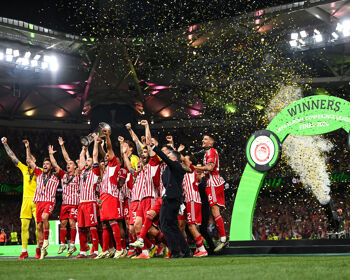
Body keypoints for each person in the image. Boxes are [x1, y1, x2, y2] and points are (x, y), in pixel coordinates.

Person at [1, 137, 41, 259]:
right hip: (25, 201)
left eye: (31, 159)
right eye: (28, 159)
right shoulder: (24, 169)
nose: (28, 160)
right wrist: (5, 145)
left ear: (35, 160)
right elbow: (12, 157)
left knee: (37, 228)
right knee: (24, 227)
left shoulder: (39, 171)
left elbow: (29, 159)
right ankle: (24, 251)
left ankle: (38, 249)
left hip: (36, 201)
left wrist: (28, 148)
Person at [151, 142, 191, 258]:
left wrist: (154, 148)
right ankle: (186, 250)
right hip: (173, 198)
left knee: (164, 226)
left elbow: (166, 159)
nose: (166, 157)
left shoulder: (176, 165)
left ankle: (175, 251)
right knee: (173, 226)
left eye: (169, 155)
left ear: (174, 158)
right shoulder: (172, 168)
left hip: (170, 198)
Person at [95, 127, 127, 259]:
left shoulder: (114, 164)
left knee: (113, 222)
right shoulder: (107, 166)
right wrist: (97, 144)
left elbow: (108, 149)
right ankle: (106, 250)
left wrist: (107, 136)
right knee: (104, 224)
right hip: (103, 196)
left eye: (109, 155)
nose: (106, 156)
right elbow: (104, 153)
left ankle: (120, 249)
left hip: (111, 196)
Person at [195, 135, 227, 252]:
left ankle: (223, 238)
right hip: (212, 182)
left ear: (212, 141)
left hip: (213, 183)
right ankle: (223, 237)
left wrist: (194, 167)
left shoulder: (211, 151)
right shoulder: (208, 152)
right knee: (214, 211)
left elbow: (209, 167)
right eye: (202, 138)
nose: (203, 140)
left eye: (206, 139)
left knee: (214, 210)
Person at [48, 143, 79, 257]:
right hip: (65, 204)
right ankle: (62, 244)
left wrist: (62, 147)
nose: (68, 165)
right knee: (63, 223)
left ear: (75, 167)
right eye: (67, 164)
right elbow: (55, 165)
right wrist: (51, 154)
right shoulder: (64, 175)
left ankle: (72, 244)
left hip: (74, 204)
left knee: (71, 223)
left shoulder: (78, 175)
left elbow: (67, 158)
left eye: (71, 164)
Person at [27, 152, 60, 259]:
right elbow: (29, 161)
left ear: (51, 167)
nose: (45, 165)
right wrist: (27, 147)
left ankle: (46, 240)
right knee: (39, 226)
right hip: (39, 202)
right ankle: (43, 250)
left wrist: (51, 155)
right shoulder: (39, 173)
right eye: (44, 164)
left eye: (47, 164)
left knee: (45, 217)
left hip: (49, 201)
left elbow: (56, 166)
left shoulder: (56, 176)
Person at [74, 136, 100, 259]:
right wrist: (84, 148)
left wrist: (95, 142)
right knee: (81, 228)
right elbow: (80, 157)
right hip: (81, 204)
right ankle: (83, 252)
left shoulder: (95, 172)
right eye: (87, 161)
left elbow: (95, 156)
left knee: (92, 227)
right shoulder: (83, 171)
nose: (87, 162)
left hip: (90, 202)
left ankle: (96, 251)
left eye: (88, 161)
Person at [182, 155, 208, 257]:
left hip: (192, 200)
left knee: (191, 226)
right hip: (192, 200)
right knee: (194, 227)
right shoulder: (186, 172)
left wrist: (177, 151)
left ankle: (202, 250)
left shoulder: (191, 169)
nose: (184, 160)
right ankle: (198, 248)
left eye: (186, 159)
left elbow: (183, 160)